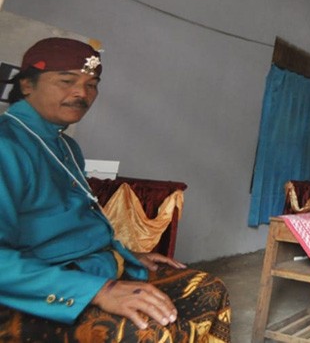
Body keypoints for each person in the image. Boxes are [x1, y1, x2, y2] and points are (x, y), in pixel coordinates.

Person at [0, 37, 231, 342]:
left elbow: (74, 225)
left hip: (91, 267)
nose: (82, 93)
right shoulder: (6, 145)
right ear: (27, 85)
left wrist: (126, 254)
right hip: (38, 286)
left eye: (92, 84)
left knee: (208, 289)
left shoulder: (66, 145)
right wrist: (98, 291)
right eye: (66, 80)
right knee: (150, 329)